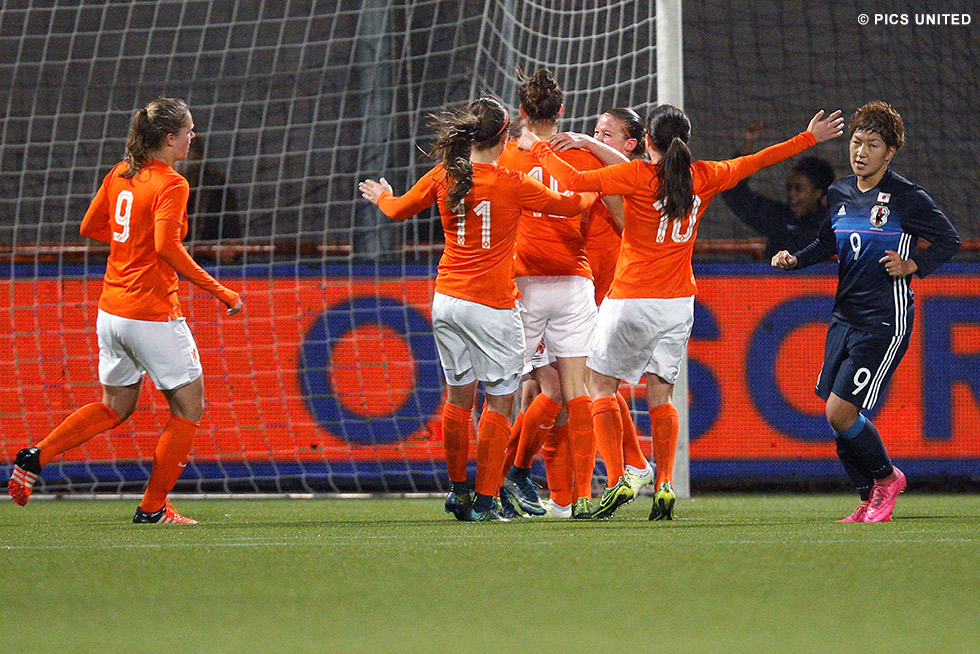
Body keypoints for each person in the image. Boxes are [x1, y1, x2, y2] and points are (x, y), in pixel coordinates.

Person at [520, 104, 844, 519]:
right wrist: (808, 139)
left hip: (633, 297)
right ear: (684, 141)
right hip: (678, 303)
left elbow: (574, 179)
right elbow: (758, 161)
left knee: (598, 385)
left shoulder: (637, 176)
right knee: (662, 392)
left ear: (647, 143)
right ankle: (666, 484)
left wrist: (538, 147)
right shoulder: (704, 176)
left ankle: (620, 474)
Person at [7, 98, 244, 523]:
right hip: (150, 312)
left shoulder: (121, 172)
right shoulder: (172, 183)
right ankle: (153, 507)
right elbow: (167, 248)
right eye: (188, 131)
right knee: (189, 406)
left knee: (116, 404)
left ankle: (36, 455)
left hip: (111, 311)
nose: (193, 137)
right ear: (169, 139)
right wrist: (219, 290)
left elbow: (89, 227)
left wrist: (129, 243)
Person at [358, 97, 594, 522]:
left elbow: (397, 210)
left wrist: (383, 197)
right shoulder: (510, 181)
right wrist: (595, 183)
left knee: (457, 398)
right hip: (491, 305)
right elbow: (570, 206)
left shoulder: (444, 175)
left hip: (447, 300)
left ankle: (458, 491)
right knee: (500, 404)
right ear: (504, 138)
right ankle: (485, 501)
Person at [772, 101, 960, 523]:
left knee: (841, 412)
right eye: (856, 142)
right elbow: (826, 245)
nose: (860, 152)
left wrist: (914, 266)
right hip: (845, 318)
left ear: (889, 152)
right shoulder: (838, 192)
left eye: (872, 145)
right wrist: (794, 260)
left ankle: (887, 478)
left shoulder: (909, 199)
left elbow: (950, 240)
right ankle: (868, 496)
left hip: (884, 320)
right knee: (836, 415)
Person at [495, 70, 651, 521]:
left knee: (515, 388)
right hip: (577, 281)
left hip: (523, 282)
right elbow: (624, 216)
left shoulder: (507, 156)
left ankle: (498, 482)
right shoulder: (582, 157)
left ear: (521, 113)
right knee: (571, 390)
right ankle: (574, 494)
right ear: (562, 111)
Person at [550, 107, 665, 516]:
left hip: (616, 288)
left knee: (591, 383)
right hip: (587, 287)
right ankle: (628, 467)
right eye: (595, 130)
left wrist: (582, 146)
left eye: (606, 133)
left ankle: (626, 468)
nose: (595, 137)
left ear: (630, 145)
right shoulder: (607, 176)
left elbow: (627, 224)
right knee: (586, 386)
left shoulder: (629, 180)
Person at [721, 120, 836, 260]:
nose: (791, 194)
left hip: (818, 282)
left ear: (818, 193)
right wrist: (747, 144)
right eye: (789, 188)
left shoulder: (832, 224)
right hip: (775, 281)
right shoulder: (777, 217)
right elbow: (734, 193)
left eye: (799, 189)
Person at [175, 137, 243, 264]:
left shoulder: (215, 184)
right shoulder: (151, 184)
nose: (179, 161)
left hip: (206, 267)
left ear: (197, 155)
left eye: (186, 152)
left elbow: (230, 246)